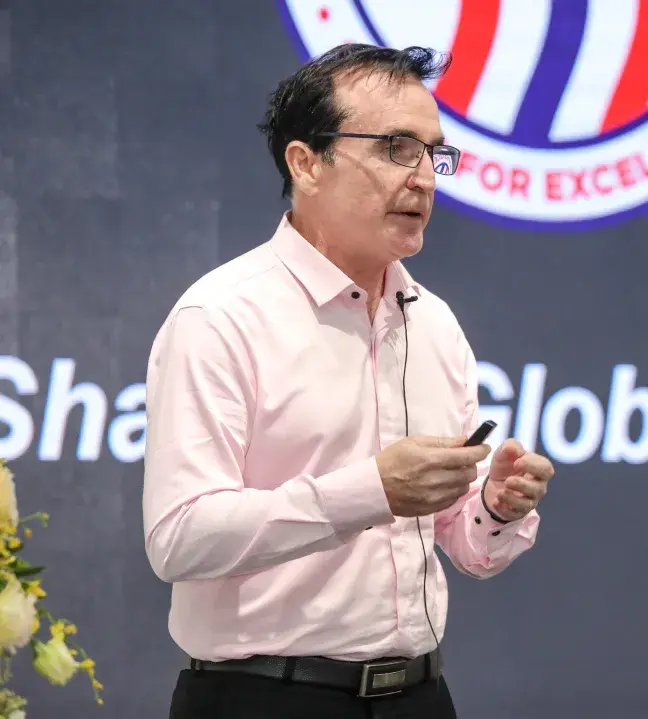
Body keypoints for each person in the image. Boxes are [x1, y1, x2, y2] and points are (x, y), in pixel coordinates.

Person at [142, 44, 554, 719]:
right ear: (306, 162)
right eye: (396, 148)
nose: (423, 178)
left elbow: (467, 545)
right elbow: (180, 537)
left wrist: (496, 506)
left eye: (433, 154)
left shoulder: (433, 322)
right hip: (265, 698)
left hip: (420, 696)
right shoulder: (221, 316)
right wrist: (371, 491)